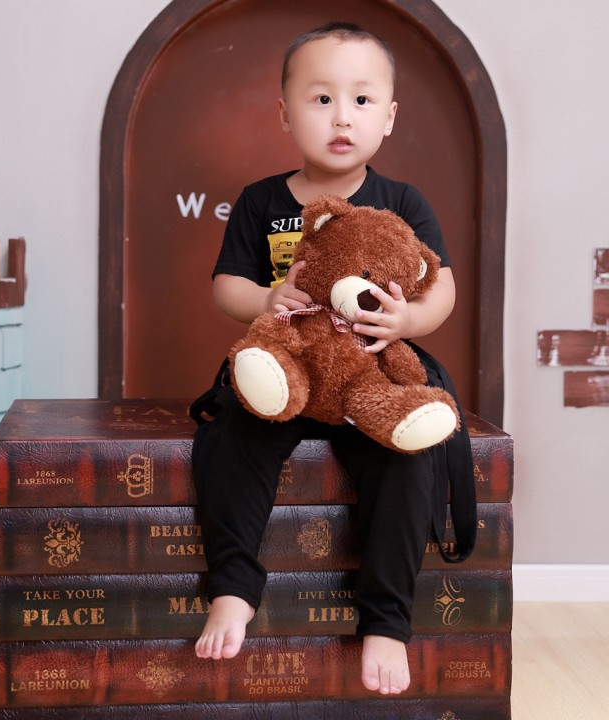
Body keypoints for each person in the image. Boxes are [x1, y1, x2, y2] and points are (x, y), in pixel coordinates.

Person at [190, 22, 476, 696]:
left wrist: (408, 320)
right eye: (321, 100)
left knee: (407, 460)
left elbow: (441, 284)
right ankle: (233, 586)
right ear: (285, 114)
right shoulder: (263, 201)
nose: (341, 117)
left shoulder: (402, 202)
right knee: (230, 439)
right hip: (288, 372)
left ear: (389, 118)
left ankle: (386, 620)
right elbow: (227, 285)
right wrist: (269, 297)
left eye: (361, 100)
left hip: (368, 378)